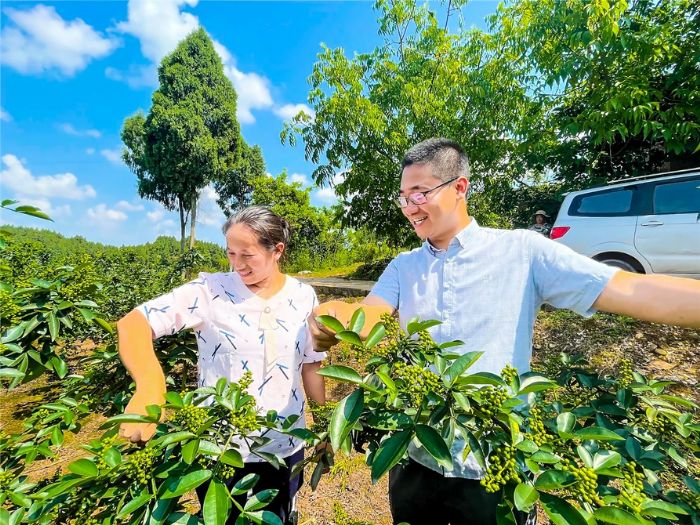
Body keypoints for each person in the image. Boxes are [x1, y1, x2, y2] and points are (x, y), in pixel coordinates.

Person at [309, 138, 700, 525]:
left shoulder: (522, 251)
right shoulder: (403, 266)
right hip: (416, 455)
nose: (409, 208)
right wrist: (334, 314)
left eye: (419, 194)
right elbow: (368, 316)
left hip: (496, 461)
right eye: (403, 197)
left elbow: (628, 287)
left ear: (459, 188)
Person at [117, 206, 326, 525]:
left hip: (283, 443)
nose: (237, 264)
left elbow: (311, 366)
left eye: (247, 254)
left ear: (277, 251)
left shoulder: (303, 296)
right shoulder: (208, 291)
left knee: (279, 517)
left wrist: (324, 427)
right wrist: (150, 387)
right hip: (221, 448)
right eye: (231, 253)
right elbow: (133, 324)